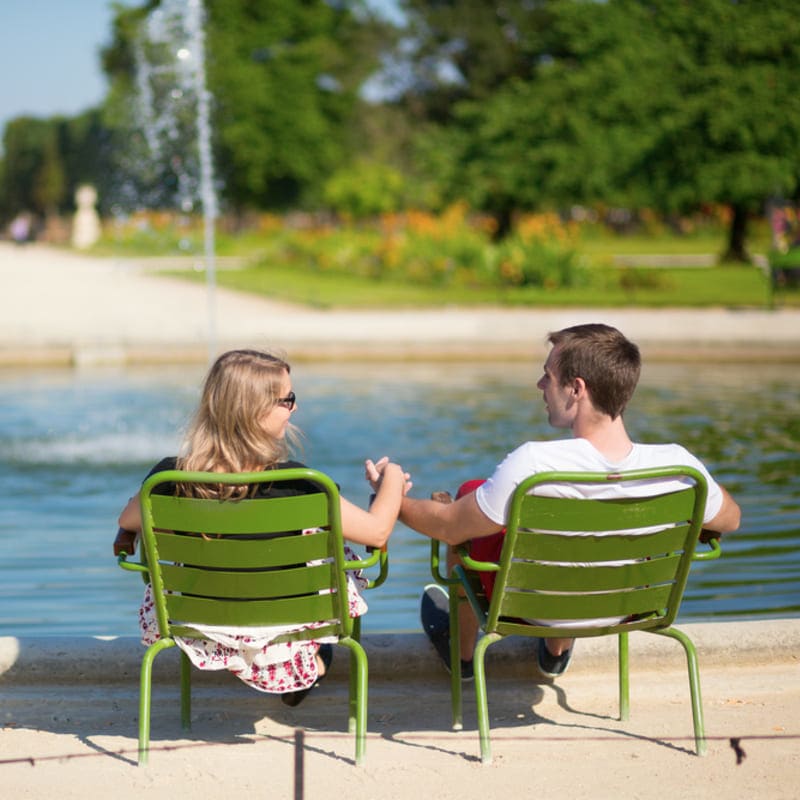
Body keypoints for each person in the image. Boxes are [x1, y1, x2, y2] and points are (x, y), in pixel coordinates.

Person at [395, 324, 741, 680]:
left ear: (576, 389)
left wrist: (394, 500)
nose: (540, 385)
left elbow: (449, 526)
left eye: (548, 376)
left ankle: (463, 654)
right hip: (625, 607)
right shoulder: (680, 467)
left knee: (472, 497)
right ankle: (555, 653)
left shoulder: (534, 465)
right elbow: (731, 520)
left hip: (534, 609)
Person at [117, 348, 410, 705]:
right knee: (328, 555)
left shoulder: (167, 480)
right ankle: (313, 664)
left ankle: (295, 664)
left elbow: (126, 521)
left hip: (198, 623)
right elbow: (377, 532)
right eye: (288, 400)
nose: (295, 408)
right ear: (255, 410)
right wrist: (392, 479)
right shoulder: (302, 484)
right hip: (287, 622)